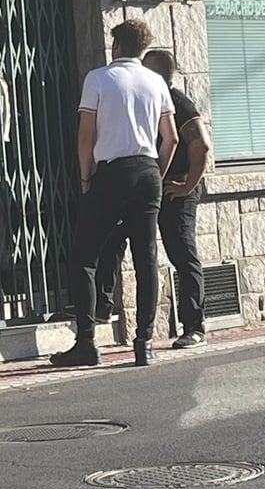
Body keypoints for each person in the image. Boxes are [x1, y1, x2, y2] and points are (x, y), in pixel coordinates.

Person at [50, 20, 178, 368]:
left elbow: (85, 136)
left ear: (117, 45)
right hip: (147, 170)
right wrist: (156, 174)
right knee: (145, 257)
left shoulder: (98, 79)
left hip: (112, 172)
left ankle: (86, 342)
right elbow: (171, 138)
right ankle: (144, 342)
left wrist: (85, 178)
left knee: (84, 256)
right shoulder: (156, 82)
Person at [95, 49, 211, 348]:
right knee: (113, 237)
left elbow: (201, 145)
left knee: (181, 252)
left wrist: (187, 186)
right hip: (148, 186)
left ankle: (194, 326)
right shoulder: (149, 99)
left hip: (174, 188)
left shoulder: (177, 103)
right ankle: (101, 306)